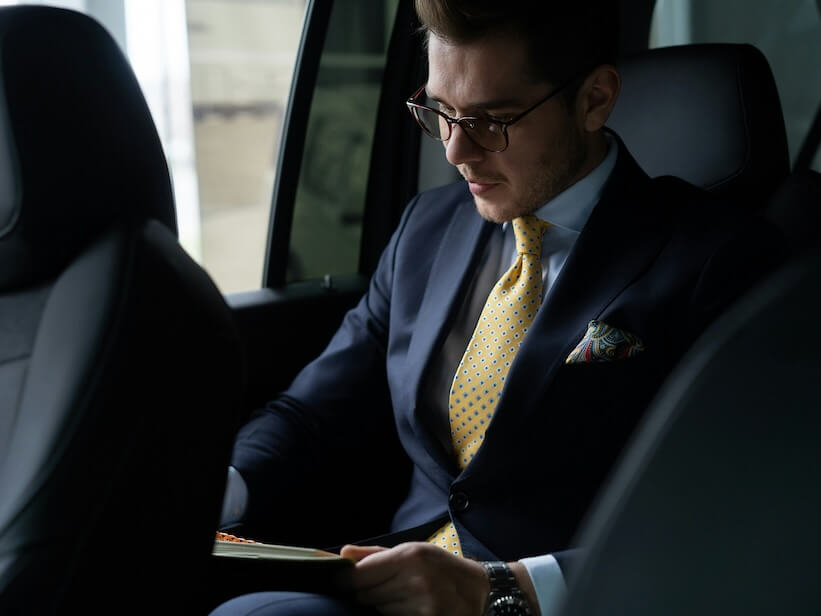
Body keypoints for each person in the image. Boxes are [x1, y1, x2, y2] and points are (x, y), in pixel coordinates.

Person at [211, 1, 786, 614]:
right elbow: (313, 412)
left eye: (492, 120)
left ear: (594, 99)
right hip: (386, 584)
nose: (456, 151)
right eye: (439, 113)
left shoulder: (722, 262)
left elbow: (737, 513)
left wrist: (504, 589)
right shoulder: (425, 231)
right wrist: (221, 491)